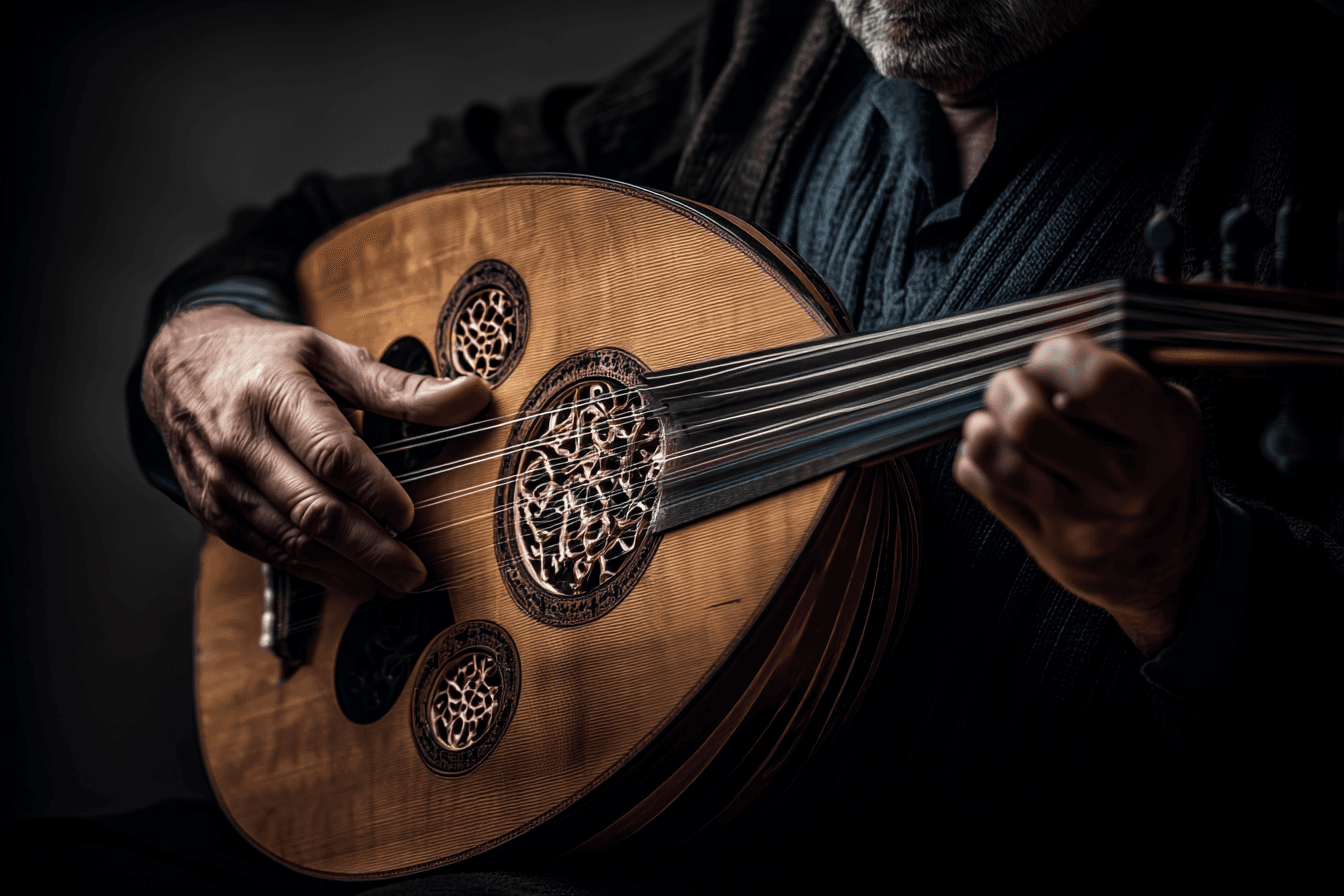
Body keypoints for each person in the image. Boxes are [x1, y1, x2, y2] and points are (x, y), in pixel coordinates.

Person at [20, 0, 1332, 892]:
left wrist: (1189, 585)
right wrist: (205, 345)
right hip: (551, 828)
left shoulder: (1299, 137)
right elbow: (326, 227)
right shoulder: (772, 49)